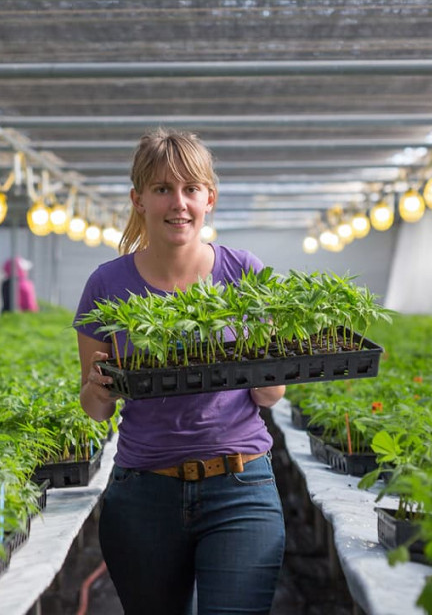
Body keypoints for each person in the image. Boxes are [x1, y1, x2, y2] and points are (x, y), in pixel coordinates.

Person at [74, 129, 286, 615]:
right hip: (144, 493)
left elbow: (269, 396)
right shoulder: (106, 284)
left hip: (240, 485)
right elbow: (94, 410)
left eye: (191, 189)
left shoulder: (243, 273)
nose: (179, 203)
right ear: (139, 199)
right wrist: (97, 386)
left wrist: (263, 360)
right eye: (162, 189)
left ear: (209, 198)